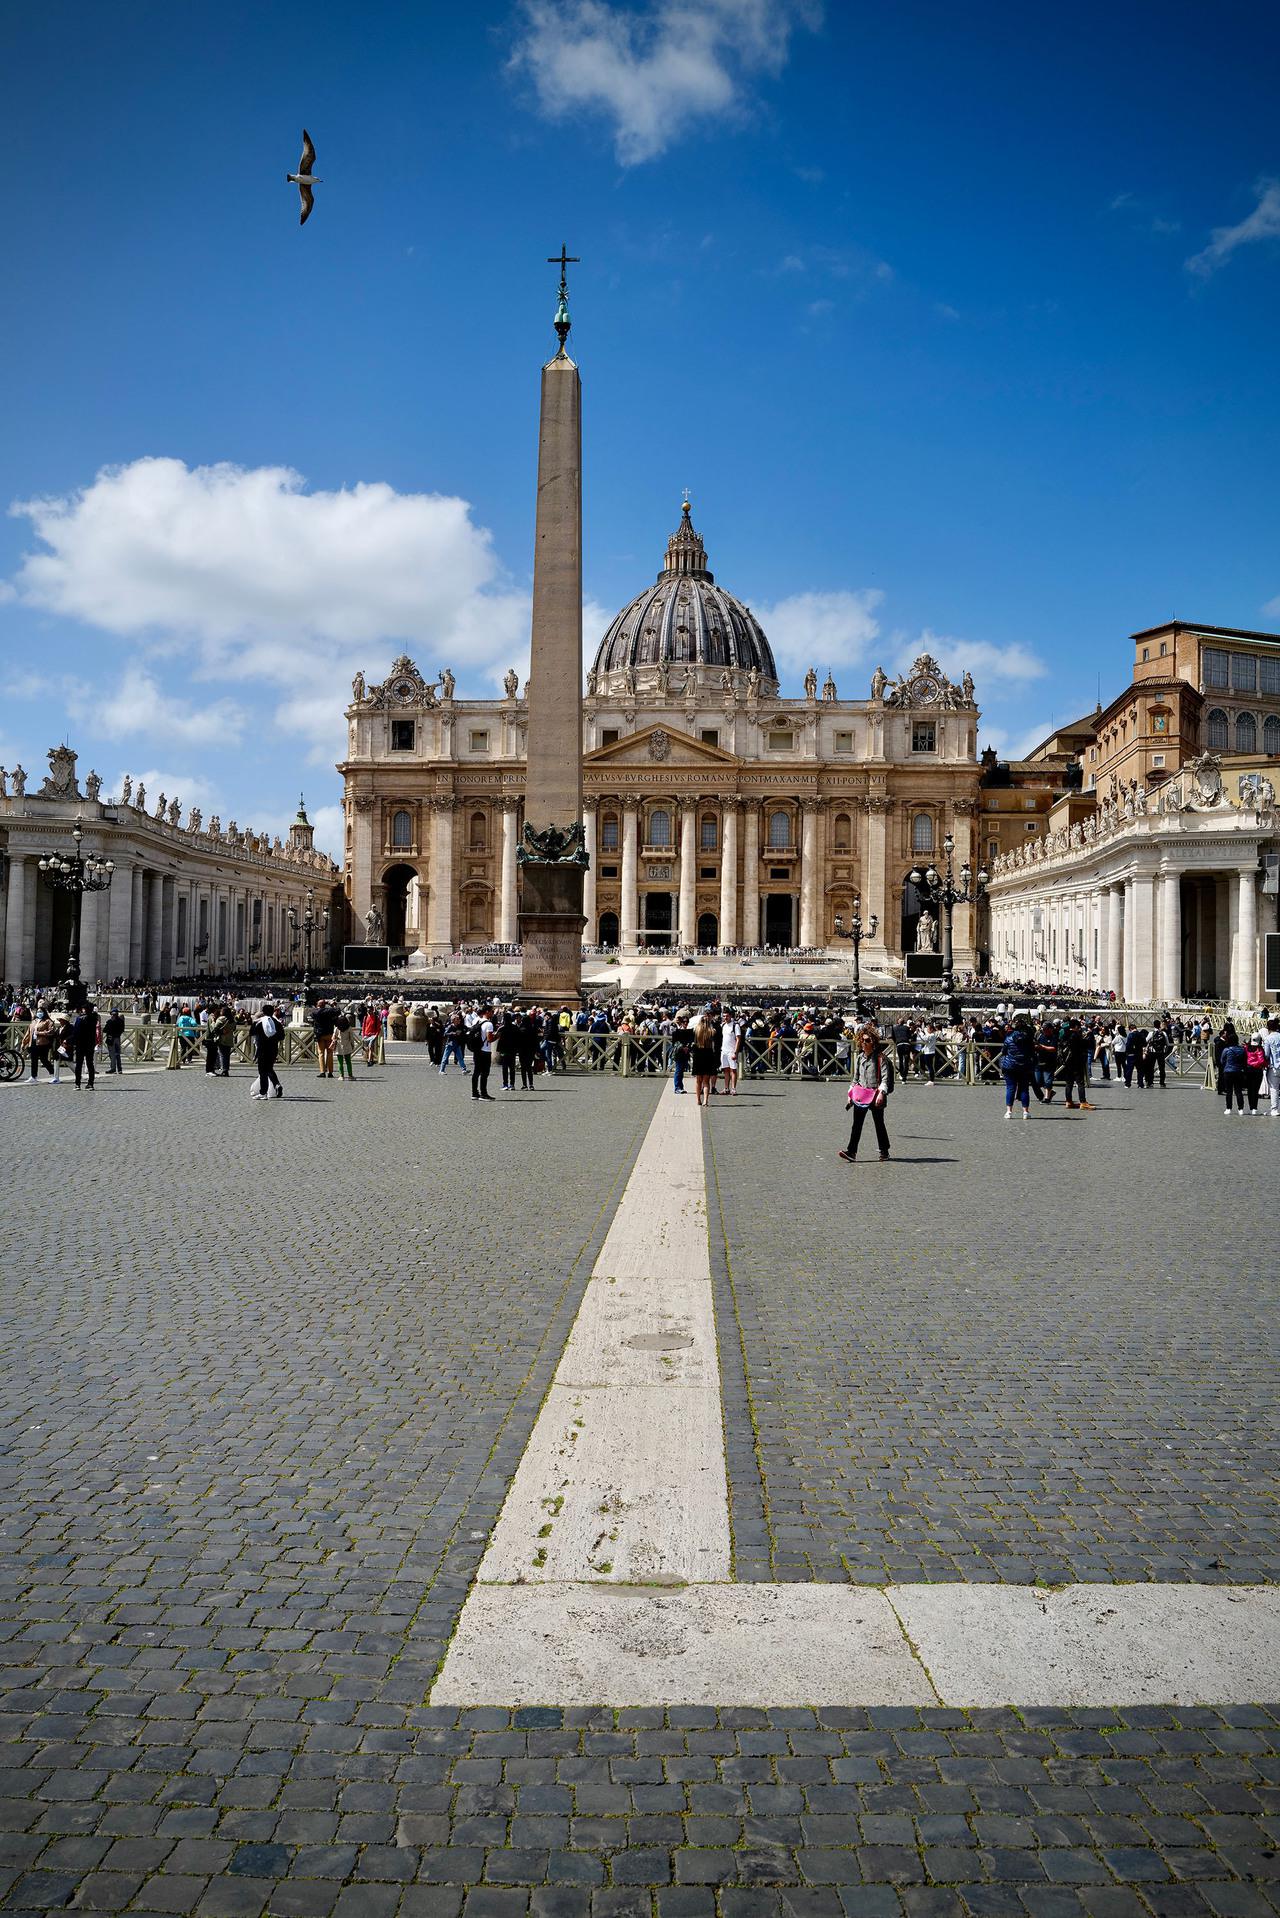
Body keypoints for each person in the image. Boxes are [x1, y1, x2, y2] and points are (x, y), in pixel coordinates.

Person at [838, 1029, 892, 1162]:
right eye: (862, 1040)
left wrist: (881, 1093)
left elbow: (885, 1078)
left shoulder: (881, 1058)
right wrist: (850, 1094)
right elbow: (855, 1078)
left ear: (873, 1042)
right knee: (856, 1124)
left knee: (879, 1124)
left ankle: (884, 1150)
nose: (864, 1042)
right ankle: (851, 1152)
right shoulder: (859, 1057)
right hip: (861, 1094)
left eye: (867, 1040)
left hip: (875, 1094)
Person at [999, 1015, 1036, 1119]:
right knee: (1024, 1089)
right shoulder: (1028, 1039)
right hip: (1024, 1066)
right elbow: (1032, 1053)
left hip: (1010, 1066)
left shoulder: (1009, 1038)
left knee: (1010, 1088)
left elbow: (1004, 1051)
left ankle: (1009, 1112)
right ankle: (1025, 1112)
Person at [250, 1004, 284, 1099]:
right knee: (269, 1068)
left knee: (262, 1071)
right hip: (273, 1049)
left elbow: (251, 1032)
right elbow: (282, 1036)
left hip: (262, 1049)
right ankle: (276, 1084)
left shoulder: (259, 1022)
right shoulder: (277, 1023)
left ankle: (263, 1092)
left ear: (263, 1012)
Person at [1060, 1019, 1093, 1109]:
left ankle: (1068, 1101)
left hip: (1067, 1062)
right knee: (1080, 1082)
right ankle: (1083, 1102)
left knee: (1069, 1083)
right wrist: (1088, 1036)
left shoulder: (1064, 1034)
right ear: (1076, 1026)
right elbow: (1084, 1045)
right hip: (1076, 1061)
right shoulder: (1076, 1035)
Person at [27, 1005, 59, 1083]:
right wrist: (25, 1042)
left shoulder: (48, 1021)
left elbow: (51, 1031)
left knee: (44, 1060)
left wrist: (40, 1033)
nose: (39, 1013)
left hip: (43, 1043)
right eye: (38, 1012)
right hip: (34, 1042)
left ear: (44, 1013)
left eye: (41, 1012)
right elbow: (29, 1032)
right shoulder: (34, 1021)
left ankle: (53, 1074)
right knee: (33, 1060)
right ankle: (33, 1076)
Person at [70, 999, 98, 1089]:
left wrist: (73, 1042)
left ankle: (77, 1083)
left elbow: (75, 1032)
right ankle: (91, 1083)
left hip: (80, 1044)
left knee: (79, 1064)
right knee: (90, 1064)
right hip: (90, 1044)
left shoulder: (79, 1019)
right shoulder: (94, 1019)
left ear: (84, 1009)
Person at [691, 1014, 718, 1106]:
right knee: (706, 1081)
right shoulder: (712, 1031)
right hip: (708, 1055)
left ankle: (698, 1100)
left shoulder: (696, 1031)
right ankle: (705, 1100)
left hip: (698, 1055)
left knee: (698, 1081)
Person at [470, 1003, 495, 1100]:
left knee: (476, 1072)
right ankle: (483, 1094)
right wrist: (497, 1036)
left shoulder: (476, 1020)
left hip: (477, 1050)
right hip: (485, 1050)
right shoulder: (489, 1024)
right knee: (485, 1073)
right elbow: (489, 1039)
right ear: (487, 1012)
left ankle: (474, 1093)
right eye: (492, 1011)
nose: (492, 1013)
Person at [1219, 1026, 1246, 1115]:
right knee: (1238, 1091)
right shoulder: (1242, 1050)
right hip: (1238, 1071)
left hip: (1228, 1071)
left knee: (1229, 1091)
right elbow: (1244, 1060)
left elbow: (1222, 1060)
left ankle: (1228, 1108)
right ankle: (1240, 1109)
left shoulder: (1226, 1050)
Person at [1242, 1029, 1267, 1116]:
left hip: (1248, 1070)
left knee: (1249, 1089)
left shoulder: (1247, 1048)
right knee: (1255, 1090)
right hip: (1257, 1071)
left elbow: (1244, 1058)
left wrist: (1249, 1064)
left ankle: (1251, 1107)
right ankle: (1254, 1108)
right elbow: (1261, 1061)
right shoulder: (1259, 1049)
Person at [311, 998, 338, 1079]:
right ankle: (330, 1072)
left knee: (321, 1053)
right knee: (330, 1053)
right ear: (324, 1005)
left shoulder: (315, 1012)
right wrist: (332, 1004)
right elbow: (338, 1010)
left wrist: (321, 1004)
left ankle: (322, 1072)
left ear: (318, 1005)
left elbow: (312, 1014)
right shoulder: (329, 1011)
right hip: (329, 1033)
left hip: (320, 1035)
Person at [516, 1012, 540, 1090]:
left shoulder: (520, 1029)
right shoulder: (533, 1029)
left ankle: (524, 1085)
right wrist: (537, 1050)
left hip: (522, 1050)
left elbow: (517, 1041)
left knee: (523, 1068)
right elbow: (536, 1041)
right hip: (531, 1050)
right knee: (529, 1067)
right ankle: (531, 1084)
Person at [719, 1013, 741, 1095]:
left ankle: (733, 1088)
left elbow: (738, 1039)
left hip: (732, 1051)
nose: (725, 1018)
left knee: (733, 1070)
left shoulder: (735, 1026)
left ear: (730, 1016)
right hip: (724, 1051)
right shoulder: (723, 1025)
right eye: (724, 1016)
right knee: (726, 1070)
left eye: (727, 1016)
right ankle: (726, 1088)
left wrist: (735, 1052)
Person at [334, 1006, 355, 1082]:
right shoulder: (349, 1028)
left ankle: (341, 1076)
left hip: (339, 1046)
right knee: (348, 1062)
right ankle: (350, 1075)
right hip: (347, 1045)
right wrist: (352, 1045)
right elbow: (351, 1038)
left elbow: (334, 1037)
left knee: (340, 1062)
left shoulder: (336, 1028)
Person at [1264, 1016, 1280, 1118]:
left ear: (1268, 1029)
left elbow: (1266, 1054)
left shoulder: (1268, 1039)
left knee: (1274, 1088)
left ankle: (1274, 1109)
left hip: (1274, 1067)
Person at [102, 1005, 125, 1075]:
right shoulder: (121, 1021)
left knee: (112, 1055)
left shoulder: (110, 1021)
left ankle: (113, 1069)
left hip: (111, 1039)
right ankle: (120, 1069)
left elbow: (105, 1030)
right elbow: (122, 1030)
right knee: (117, 1054)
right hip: (118, 1038)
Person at [671, 1013, 691, 1094]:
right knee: (678, 1070)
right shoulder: (676, 1031)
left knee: (682, 1070)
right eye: (684, 1022)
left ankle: (681, 1086)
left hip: (685, 1054)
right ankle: (677, 1087)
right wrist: (683, 1047)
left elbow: (691, 1041)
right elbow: (674, 1043)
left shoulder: (689, 1031)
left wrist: (688, 1047)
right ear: (681, 1022)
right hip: (678, 1053)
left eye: (687, 1022)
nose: (686, 1023)